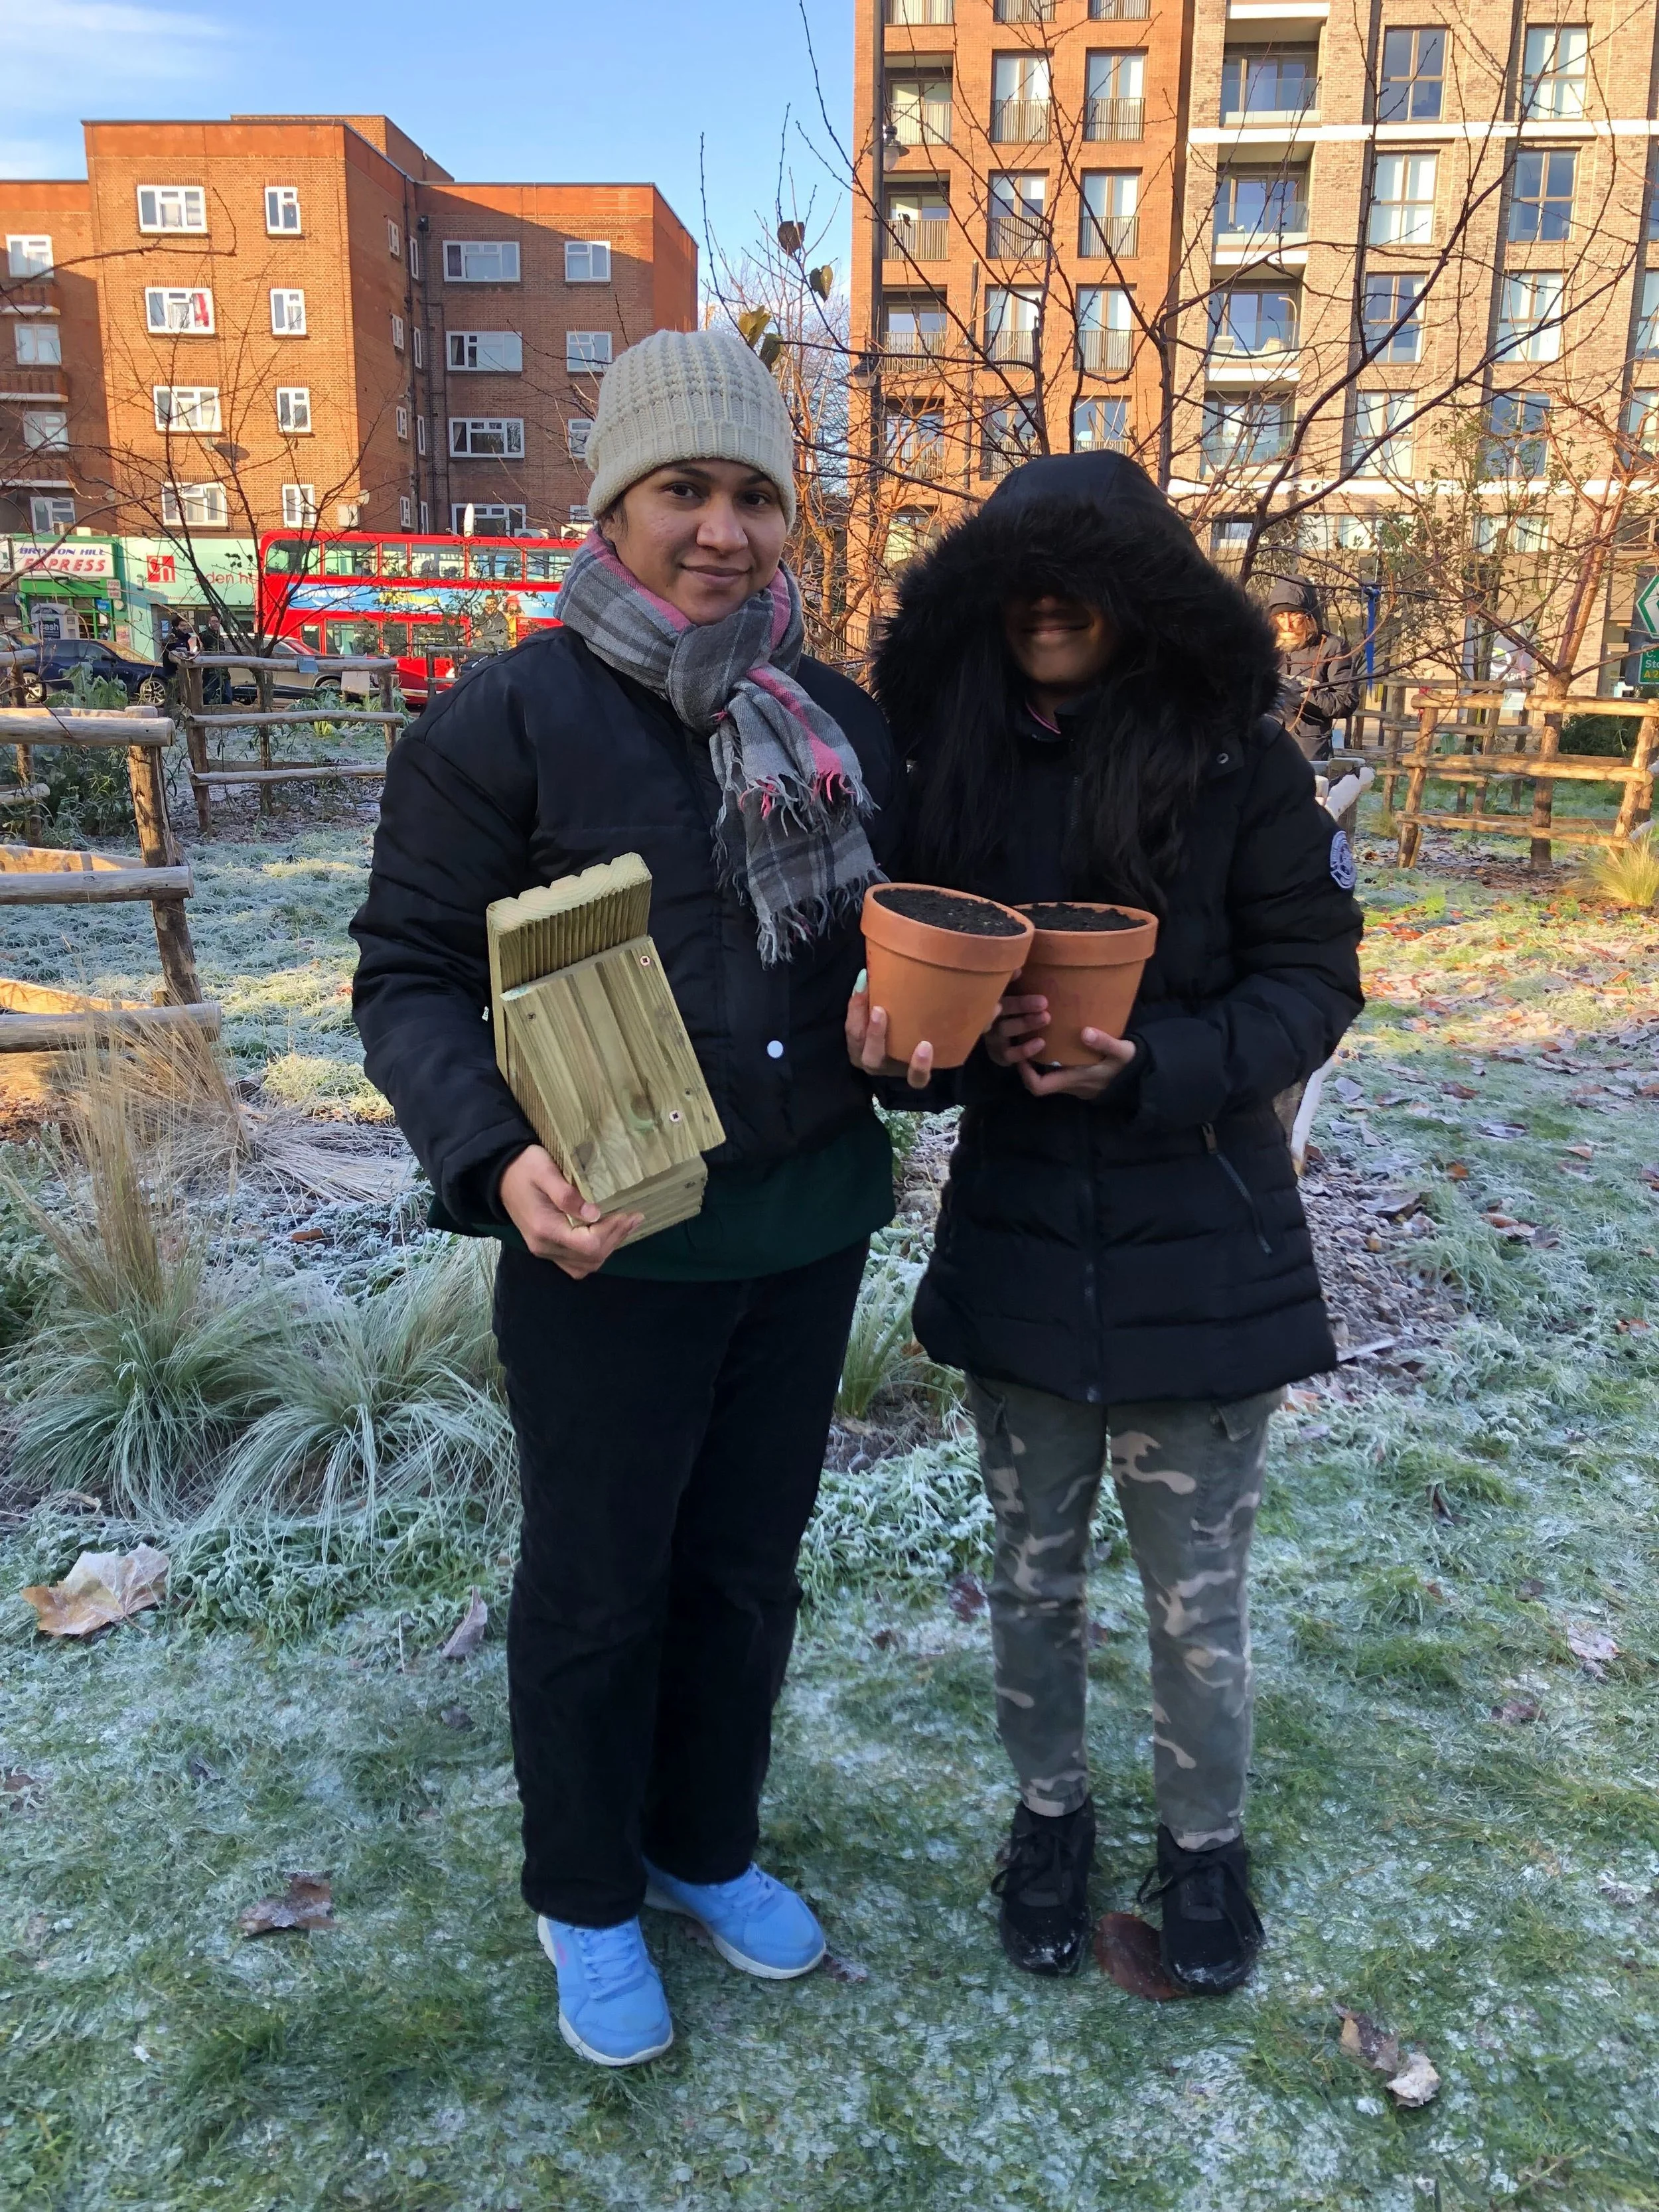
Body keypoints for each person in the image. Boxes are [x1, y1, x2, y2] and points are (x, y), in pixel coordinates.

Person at [351, 328, 908, 2069]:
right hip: (607, 1242)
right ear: (616, 504)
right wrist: (493, 1156)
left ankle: (701, 1841)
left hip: (801, 1223)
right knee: (600, 1586)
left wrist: (909, 1035)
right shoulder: (507, 718)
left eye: (754, 493)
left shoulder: (838, 720)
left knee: (744, 1572)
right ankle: (586, 1890)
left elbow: (877, 958)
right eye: (686, 488)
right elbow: (409, 975)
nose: (724, 529)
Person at [853, 451, 1363, 1994]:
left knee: (1195, 1587)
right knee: (1030, 1568)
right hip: (1016, 1246)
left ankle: (1203, 1845)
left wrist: (1161, 1068)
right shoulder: (953, 771)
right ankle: (1050, 1818)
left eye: (1086, 578)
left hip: (1197, 1248)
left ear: (1148, 600)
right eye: (1021, 577)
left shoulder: (1242, 770)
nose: (1050, 606)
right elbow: (917, 989)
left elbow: (1314, 980)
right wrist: (914, 1060)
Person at [1265, 575, 1362, 762]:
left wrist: (1301, 692)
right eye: (1280, 616)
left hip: (1309, 752)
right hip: (1265, 749)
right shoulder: (1265, 645)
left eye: (1294, 615)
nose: (1287, 624)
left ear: (1309, 615)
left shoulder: (1331, 647)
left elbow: (1346, 701)